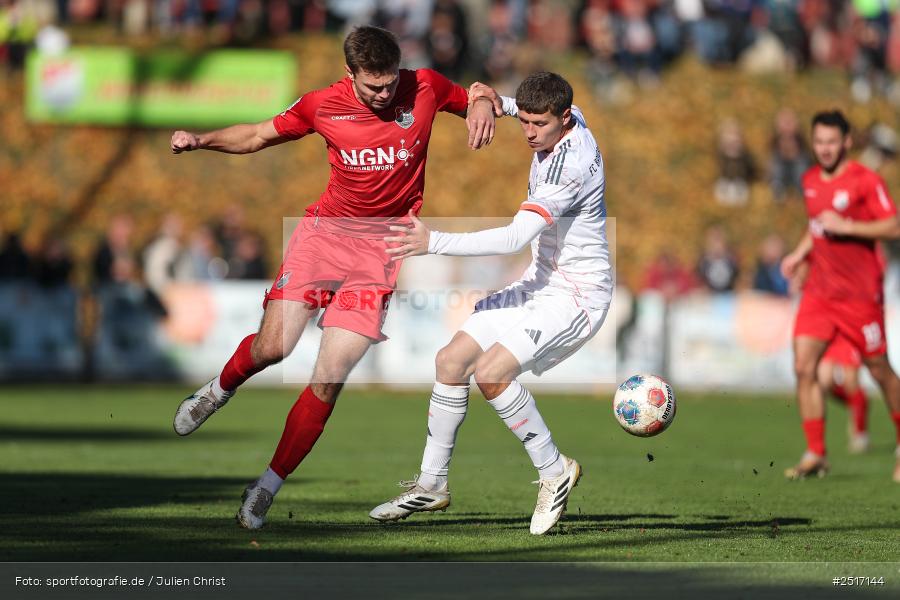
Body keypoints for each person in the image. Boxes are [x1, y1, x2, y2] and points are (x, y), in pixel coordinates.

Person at [168, 25, 499, 529]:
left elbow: (476, 92)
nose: (384, 96)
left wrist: (479, 100)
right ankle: (218, 389)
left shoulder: (425, 86)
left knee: (328, 379)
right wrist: (201, 140)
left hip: (381, 251)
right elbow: (259, 134)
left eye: (390, 84)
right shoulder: (323, 105)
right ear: (350, 75)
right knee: (274, 347)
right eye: (373, 88)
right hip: (323, 237)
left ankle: (265, 488)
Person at [368, 71, 613, 534]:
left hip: (577, 295)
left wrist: (433, 241)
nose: (529, 133)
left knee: (491, 374)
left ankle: (554, 470)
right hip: (541, 281)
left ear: (563, 119)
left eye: (539, 124)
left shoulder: (570, 167)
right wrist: (485, 101)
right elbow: (507, 104)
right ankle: (432, 484)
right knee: (450, 362)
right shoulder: (568, 114)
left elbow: (514, 237)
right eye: (525, 122)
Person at [780, 109, 900, 482]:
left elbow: (894, 224)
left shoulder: (866, 181)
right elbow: (817, 226)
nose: (825, 148)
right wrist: (801, 254)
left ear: (846, 142)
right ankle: (816, 453)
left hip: (860, 297)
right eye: (819, 142)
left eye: (832, 142)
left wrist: (848, 225)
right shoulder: (810, 179)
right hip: (819, 293)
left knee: (878, 369)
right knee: (803, 366)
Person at [817, 334, 870, 454]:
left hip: (849, 334)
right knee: (825, 382)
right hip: (831, 335)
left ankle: (860, 433)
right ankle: (859, 405)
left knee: (850, 382)